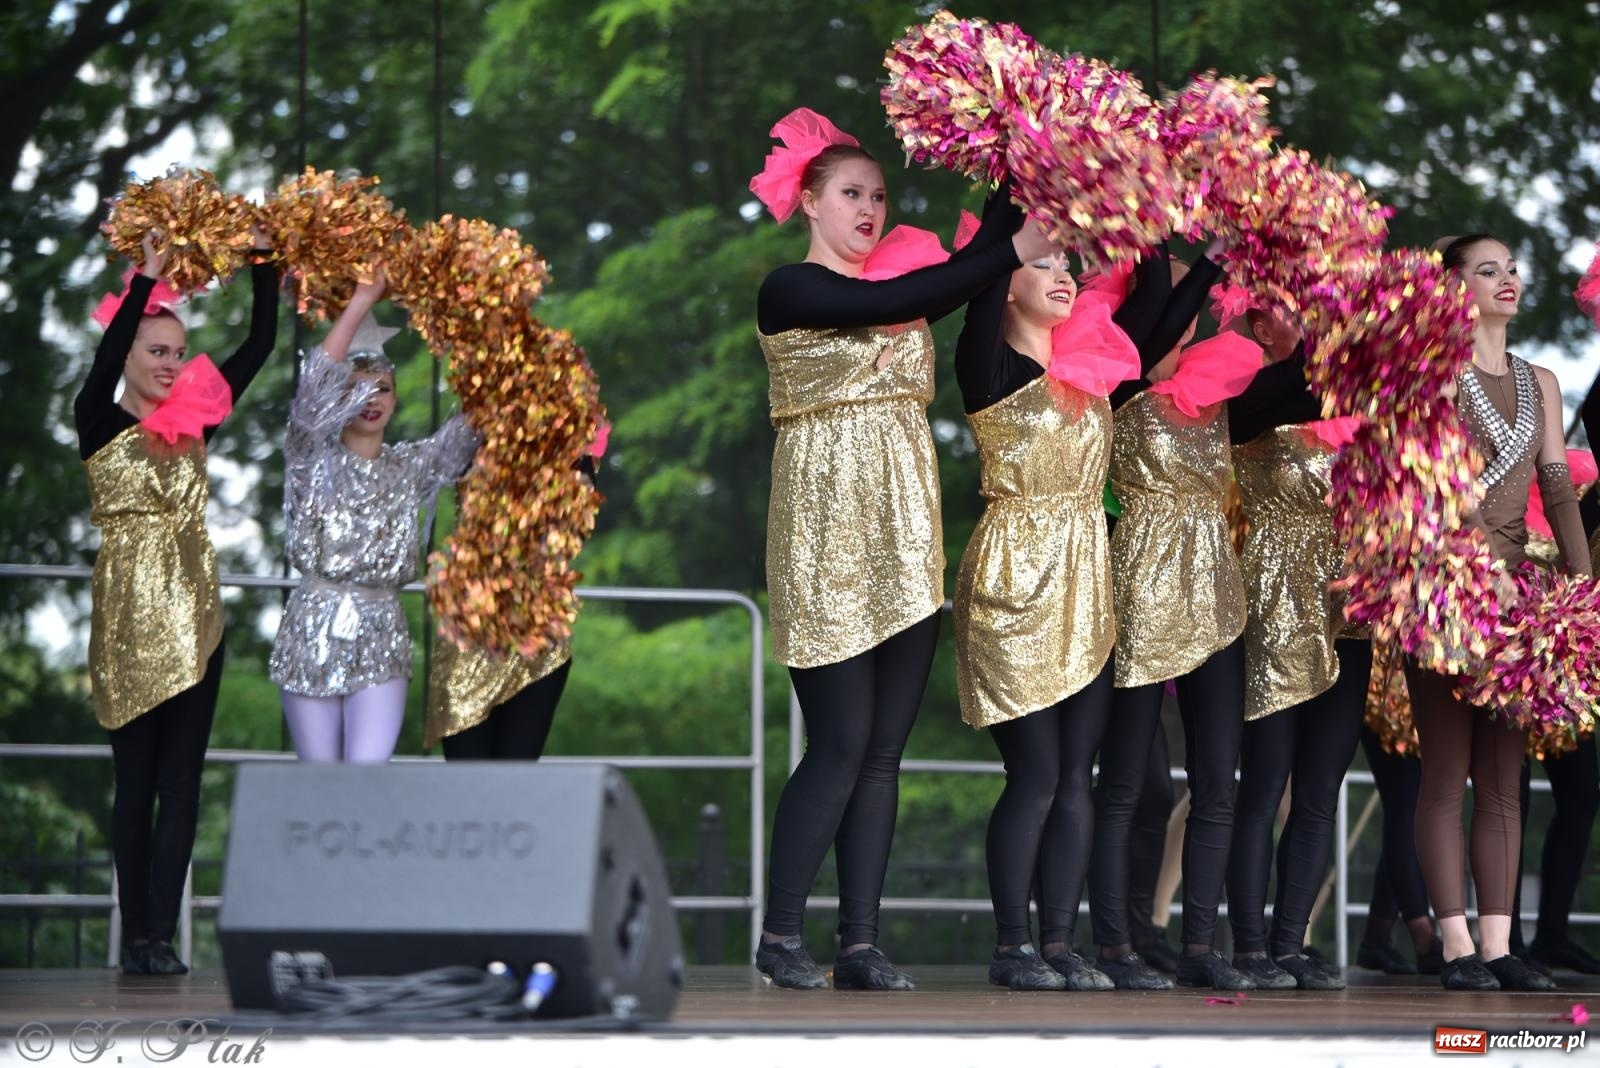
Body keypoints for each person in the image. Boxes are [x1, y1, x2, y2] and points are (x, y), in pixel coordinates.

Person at [750, 109, 1053, 990]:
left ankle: (858, 942)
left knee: (885, 749)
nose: (869, 209)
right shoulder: (790, 288)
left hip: (906, 522)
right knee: (839, 741)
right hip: (824, 523)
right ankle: (778, 937)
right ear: (811, 201)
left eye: (879, 196)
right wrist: (1007, 247)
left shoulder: (907, 276)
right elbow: (899, 301)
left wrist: (1018, 152)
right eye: (851, 193)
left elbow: (966, 264)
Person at [77, 228, 279, 974]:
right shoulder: (98, 420)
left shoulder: (197, 420)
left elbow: (259, 345)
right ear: (129, 350)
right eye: (156, 350)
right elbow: (102, 364)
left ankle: (161, 935)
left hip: (196, 619)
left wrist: (263, 259)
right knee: (134, 784)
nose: (171, 363)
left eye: (177, 351)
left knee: (181, 781)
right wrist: (145, 282)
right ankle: (135, 935)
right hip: (128, 619)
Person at [1403, 234, 1590, 991]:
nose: (1508, 279)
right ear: (1455, 289)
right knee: (1447, 775)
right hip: (1445, 591)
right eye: (1489, 270)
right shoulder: (1430, 377)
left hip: (1522, 605)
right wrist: (1480, 571)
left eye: (1512, 268)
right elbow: (1427, 487)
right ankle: (1453, 948)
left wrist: (1583, 592)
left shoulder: (1542, 380)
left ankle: (1498, 944)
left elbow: (1560, 490)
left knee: (1505, 780)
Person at [1089, 246, 1263, 992]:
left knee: (1217, 782)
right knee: (1126, 784)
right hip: (1139, 595)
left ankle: (1197, 944)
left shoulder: (1223, 392)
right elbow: (1156, 296)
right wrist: (1163, 228)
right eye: (1179, 313)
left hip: (1217, 598)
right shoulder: (1119, 377)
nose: (1190, 323)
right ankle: (1116, 946)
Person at [269, 271, 480, 763]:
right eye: (356, 389)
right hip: (312, 627)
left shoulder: (413, 466)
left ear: (396, 396)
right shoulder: (309, 458)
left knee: (367, 775)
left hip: (382, 629)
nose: (371, 399)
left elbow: (474, 420)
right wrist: (363, 299)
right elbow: (313, 385)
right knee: (319, 782)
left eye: (381, 388)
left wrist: (480, 320)